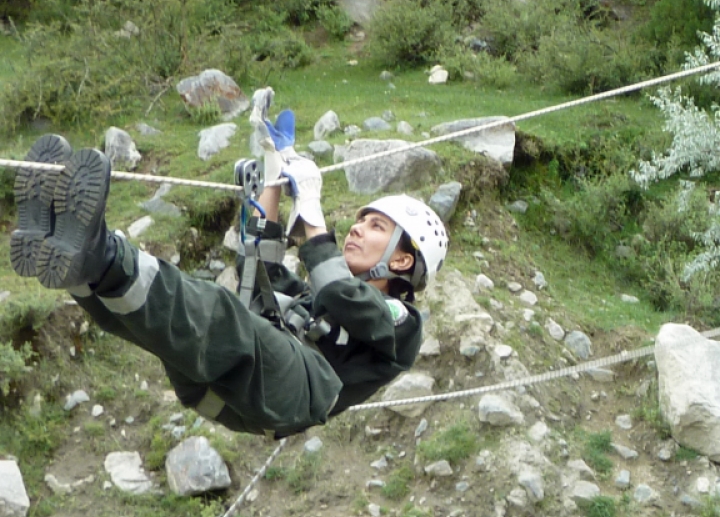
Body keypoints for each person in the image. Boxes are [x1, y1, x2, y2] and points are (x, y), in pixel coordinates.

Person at [7, 99, 448, 437]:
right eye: (358, 220)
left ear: (403, 260)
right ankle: (83, 273)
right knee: (169, 313)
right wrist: (272, 178)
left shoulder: (403, 324)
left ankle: (101, 252)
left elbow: (342, 296)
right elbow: (262, 273)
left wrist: (312, 215)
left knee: (220, 314)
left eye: (375, 226)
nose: (355, 229)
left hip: (293, 393)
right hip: (226, 386)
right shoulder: (318, 298)